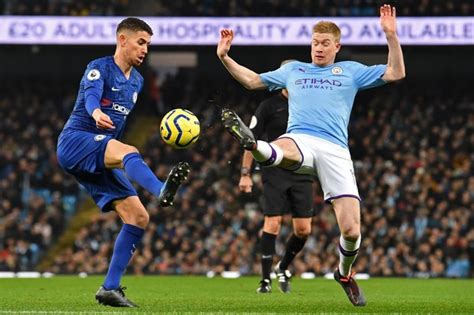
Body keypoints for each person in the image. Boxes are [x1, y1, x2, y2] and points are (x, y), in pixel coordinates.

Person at [217, 4, 405, 306]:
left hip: (335, 149)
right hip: (300, 138)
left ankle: (344, 274)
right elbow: (252, 81)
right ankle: (253, 144)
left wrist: (391, 36)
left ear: (337, 46)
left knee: (352, 231)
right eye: (315, 42)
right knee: (282, 148)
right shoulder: (294, 70)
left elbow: (396, 72)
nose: (318, 48)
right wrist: (224, 57)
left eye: (325, 43)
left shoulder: (351, 72)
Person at [56, 17, 190, 307]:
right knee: (129, 150)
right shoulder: (99, 67)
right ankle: (161, 189)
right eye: (141, 42)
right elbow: (91, 98)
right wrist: (94, 114)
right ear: (122, 40)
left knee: (139, 217)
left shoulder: (138, 81)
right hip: (76, 141)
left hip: (100, 152)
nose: (145, 50)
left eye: (148, 45)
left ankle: (110, 288)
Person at [239, 76, 314, 294]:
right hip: (274, 170)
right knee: (272, 222)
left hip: (301, 168)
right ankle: (264, 280)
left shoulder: (308, 105)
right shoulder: (269, 106)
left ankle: (282, 267)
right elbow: (249, 139)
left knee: (303, 230)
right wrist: (245, 173)